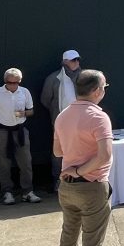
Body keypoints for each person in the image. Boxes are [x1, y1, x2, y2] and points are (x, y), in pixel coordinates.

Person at [53, 69, 122, 246]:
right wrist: (82, 170)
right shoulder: (98, 117)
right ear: (96, 91)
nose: (104, 90)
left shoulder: (63, 116)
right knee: (91, 244)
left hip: (67, 186)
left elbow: (58, 151)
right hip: (91, 186)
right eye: (104, 86)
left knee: (68, 239)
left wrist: (74, 167)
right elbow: (104, 155)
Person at [0, 68, 40, 205]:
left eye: (15, 82)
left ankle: (28, 192)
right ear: (4, 81)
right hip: (1, 131)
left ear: (20, 81)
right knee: (3, 163)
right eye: (9, 82)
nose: (12, 85)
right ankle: (7, 193)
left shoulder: (25, 92)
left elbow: (31, 111)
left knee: (26, 162)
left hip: (20, 130)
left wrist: (24, 113)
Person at [41, 49, 83, 188]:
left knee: (83, 148)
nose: (76, 62)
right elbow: (45, 100)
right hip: (61, 121)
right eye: (73, 60)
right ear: (65, 62)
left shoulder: (85, 77)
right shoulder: (53, 78)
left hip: (82, 121)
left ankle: (82, 178)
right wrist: (56, 113)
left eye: (77, 59)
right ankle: (59, 180)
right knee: (59, 151)